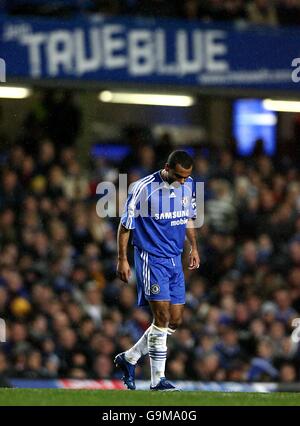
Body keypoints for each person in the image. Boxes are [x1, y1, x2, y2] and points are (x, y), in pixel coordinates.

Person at [115, 150, 200, 391]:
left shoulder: (188, 185)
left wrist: (193, 247)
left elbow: (188, 218)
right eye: (179, 176)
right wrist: (122, 259)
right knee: (161, 318)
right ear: (167, 168)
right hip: (152, 258)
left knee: (175, 320)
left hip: (174, 259)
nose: (183, 181)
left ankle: (129, 357)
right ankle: (157, 381)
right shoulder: (143, 188)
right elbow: (125, 226)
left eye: (187, 177)